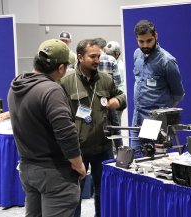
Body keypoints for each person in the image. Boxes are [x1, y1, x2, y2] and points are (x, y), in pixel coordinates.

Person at [7, 39, 86, 217]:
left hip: (28, 169)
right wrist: (78, 164)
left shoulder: (16, 85)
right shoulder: (51, 90)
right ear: (60, 68)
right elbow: (66, 132)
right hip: (54, 173)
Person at [60, 38, 126, 217]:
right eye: (93, 56)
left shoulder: (105, 79)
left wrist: (116, 101)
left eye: (99, 56)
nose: (98, 60)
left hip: (103, 147)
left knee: (104, 191)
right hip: (77, 149)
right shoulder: (65, 83)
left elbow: (122, 96)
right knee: (75, 194)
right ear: (80, 57)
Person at [130, 19, 185, 152]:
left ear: (156, 36)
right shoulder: (137, 54)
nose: (145, 45)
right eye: (141, 41)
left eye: (149, 41)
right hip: (137, 118)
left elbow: (178, 94)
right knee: (135, 161)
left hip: (155, 122)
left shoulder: (167, 61)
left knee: (151, 163)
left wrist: (161, 114)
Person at [96, 38, 124, 152]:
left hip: (95, 98)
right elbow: (117, 81)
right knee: (115, 126)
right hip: (110, 98)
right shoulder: (112, 60)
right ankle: (120, 151)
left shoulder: (92, 60)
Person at [105, 41, 126, 125]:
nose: (109, 57)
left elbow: (118, 84)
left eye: (111, 54)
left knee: (116, 123)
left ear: (117, 54)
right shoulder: (109, 63)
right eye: (108, 54)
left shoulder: (120, 66)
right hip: (110, 97)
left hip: (117, 98)